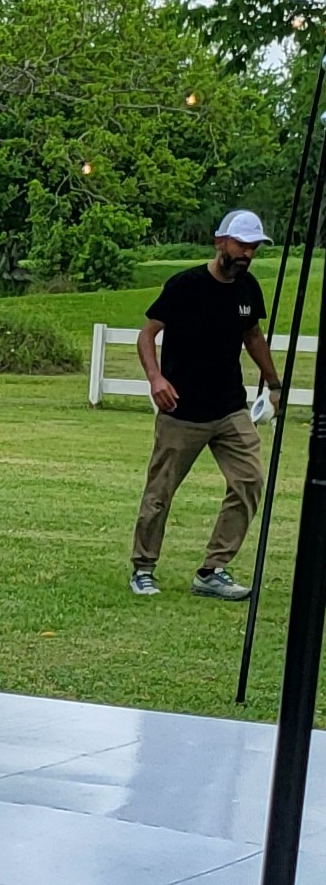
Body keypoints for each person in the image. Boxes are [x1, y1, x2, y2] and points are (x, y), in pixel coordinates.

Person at [130, 209, 285, 599]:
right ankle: (143, 567)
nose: (248, 253)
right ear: (221, 243)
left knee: (249, 480)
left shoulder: (248, 289)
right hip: (181, 410)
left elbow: (253, 337)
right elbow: (148, 335)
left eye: (253, 247)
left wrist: (273, 382)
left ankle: (213, 570)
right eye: (242, 245)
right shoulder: (186, 285)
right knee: (160, 492)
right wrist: (156, 379)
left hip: (230, 408)